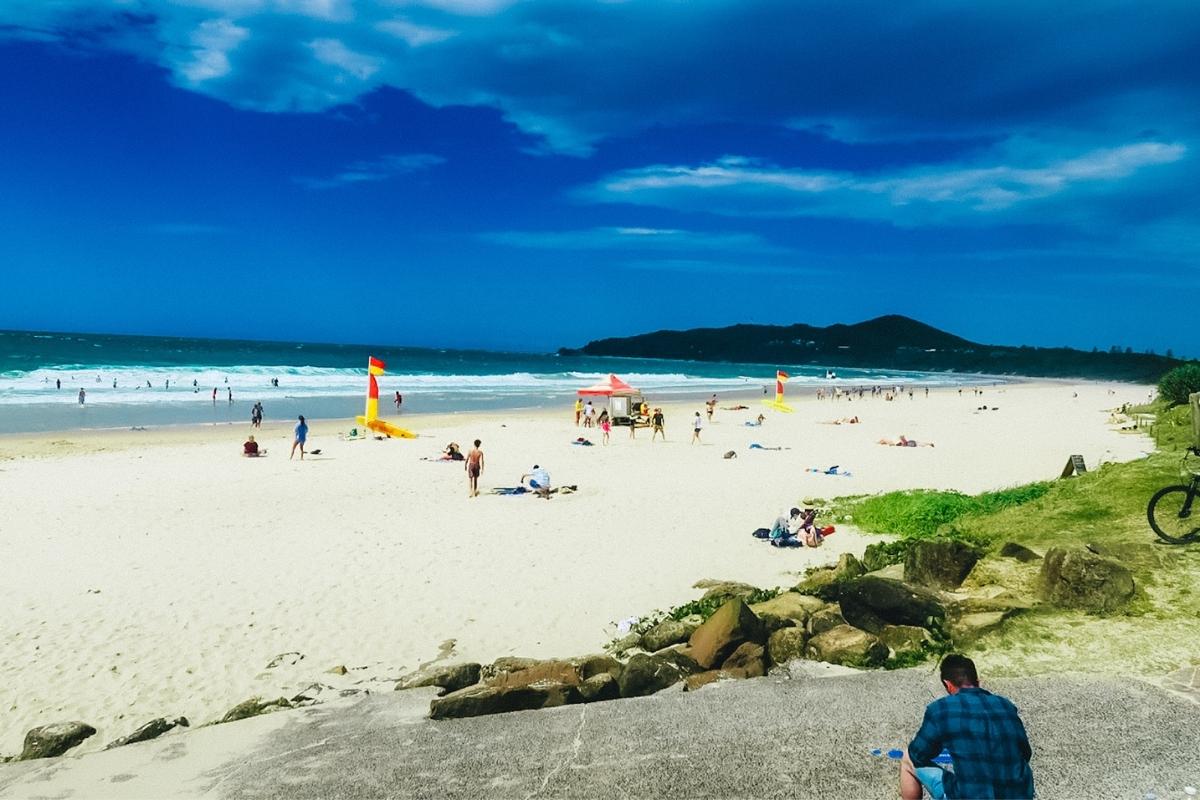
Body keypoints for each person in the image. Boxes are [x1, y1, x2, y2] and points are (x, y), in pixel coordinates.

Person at [901, 654, 1034, 800]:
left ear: (948, 684)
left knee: (908, 758)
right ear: (977, 681)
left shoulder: (941, 709)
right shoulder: (1006, 705)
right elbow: (1025, 753)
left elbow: (918, 754)